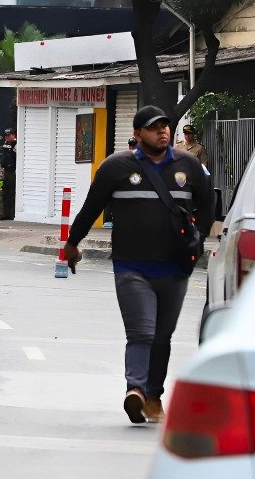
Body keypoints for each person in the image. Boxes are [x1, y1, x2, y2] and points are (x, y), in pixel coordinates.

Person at [63, 105, 213, 425]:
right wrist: (73, 243)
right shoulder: (116, 167)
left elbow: (208, 207)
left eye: (166, 126)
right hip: (132, 267)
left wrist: (196, 241)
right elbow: (92, 208)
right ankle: (135, 389)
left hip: (174, 268)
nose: (163, 131)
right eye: (154, 127)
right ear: (137, 134)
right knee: (142, 331)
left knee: (162, 335)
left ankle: (154, 395)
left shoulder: (188, 165)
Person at [0, 129, 17, 220]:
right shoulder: (5, 145)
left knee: (11, 193)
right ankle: (6, 213)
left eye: (9, 135)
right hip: (6, 171)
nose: (7, 137)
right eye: (5, 135)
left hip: (12, 171)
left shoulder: (16, 145)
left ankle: (11, 214)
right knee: (5, 193)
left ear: (14, 135)